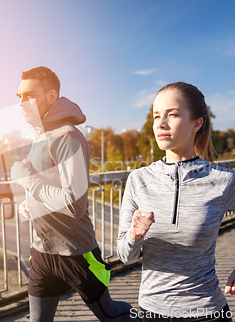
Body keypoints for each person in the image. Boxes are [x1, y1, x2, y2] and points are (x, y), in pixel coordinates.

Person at [117, 82, 235, 322]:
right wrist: (134, 235)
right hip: (150, 313)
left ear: (197, 123)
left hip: (206, 312)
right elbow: (125, 257)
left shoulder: (222, 181)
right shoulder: (138, 180)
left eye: (172, 114)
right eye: (156, 116)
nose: (161, 124)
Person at [11, 66, 139, 322]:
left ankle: (147, 315)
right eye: (19, 96)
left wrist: (28, 180)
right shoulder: (39, 136)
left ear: (51, 96)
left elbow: (74, 204)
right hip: (42, 252)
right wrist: (30, 204)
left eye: (29, 95)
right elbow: (48, 187)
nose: (22, 102)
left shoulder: (69, 136)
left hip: (76, 253)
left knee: (110, 315)